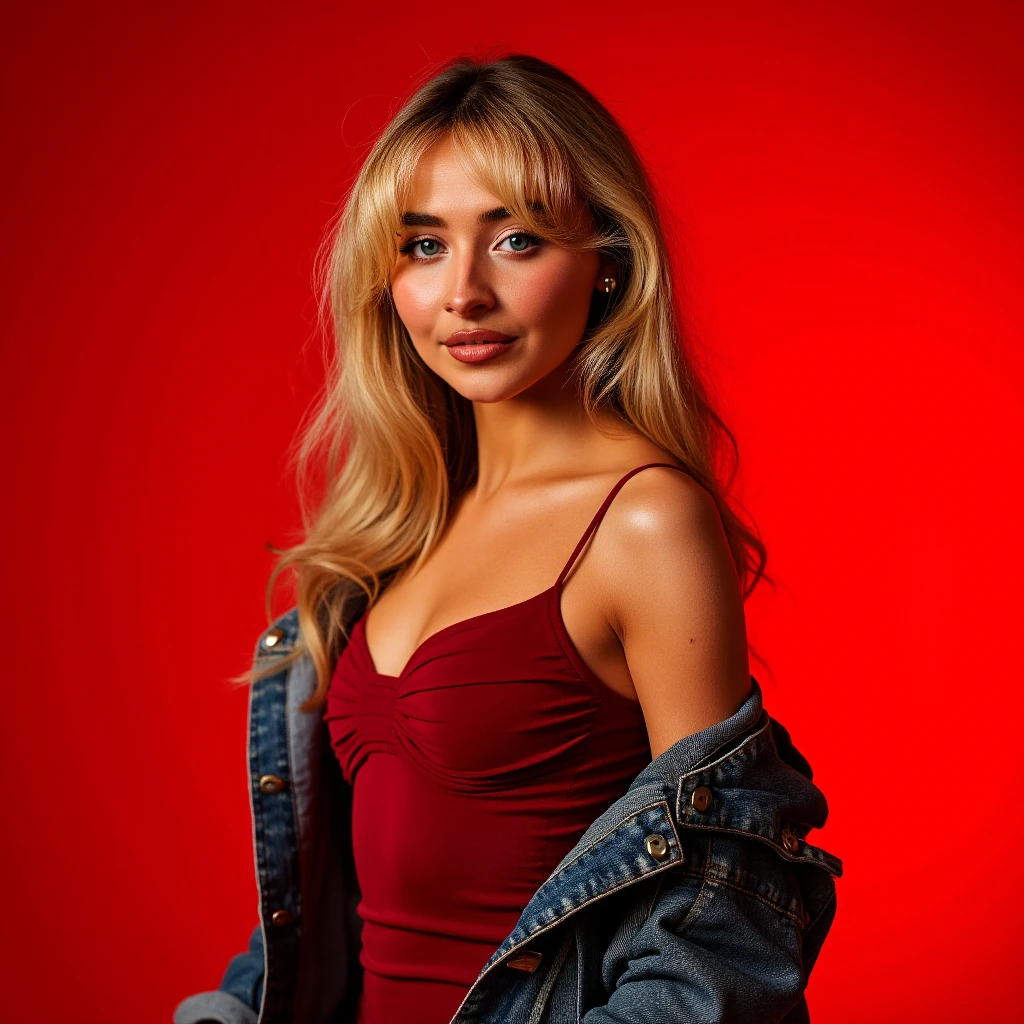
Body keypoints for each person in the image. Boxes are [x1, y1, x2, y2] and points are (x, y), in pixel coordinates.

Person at [174, 54, 842, 1024]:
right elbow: (330, 912)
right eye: (423, 246)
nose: (464, 294)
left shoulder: (642, 519)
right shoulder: (395, 534)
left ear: (607, 258)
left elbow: (724, 916)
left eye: (517, 239)